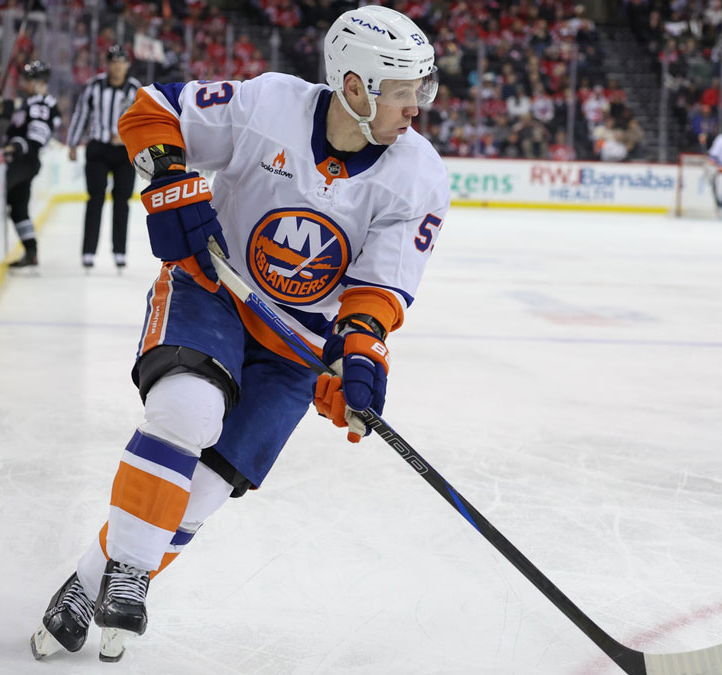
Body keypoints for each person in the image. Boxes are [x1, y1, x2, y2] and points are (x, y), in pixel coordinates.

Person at [29, 5, 448, 663]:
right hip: (213, 290)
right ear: (357, 87)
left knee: (207, 486)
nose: (416, 107)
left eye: (421, 89)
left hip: (297, 345)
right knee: (186, 411)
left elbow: (376, 292)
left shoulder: (418, 174)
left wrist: (357, 354)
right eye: (404, 91)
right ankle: (131, 572)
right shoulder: (269, 104)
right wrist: (170, 179)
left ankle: (86, 584)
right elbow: (148, 111)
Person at [66, 45, 142, 271]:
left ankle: (119, 251)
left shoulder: (135, 89)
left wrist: (132, 141)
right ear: (107, 64)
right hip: (98, 147)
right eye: (113, 62)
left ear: (127, 64)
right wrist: (72, 142)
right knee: (95, 199)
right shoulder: (94, 86)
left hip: (124, 151)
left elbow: (142, 120)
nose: (117, 66)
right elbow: (81, 113)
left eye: (121, 61)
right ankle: (88, 251)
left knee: (122, 200)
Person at [3, 61, 62, 268]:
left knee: (0, 190)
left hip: (24, 162)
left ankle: (30, 252)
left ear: (41, 82)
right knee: (18, 208)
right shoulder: (34, 102)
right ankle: (31, 252)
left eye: (29, 79)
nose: (24, 83)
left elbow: (36, 140)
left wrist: (15, 146)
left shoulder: (41, 103)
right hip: (26, 162)